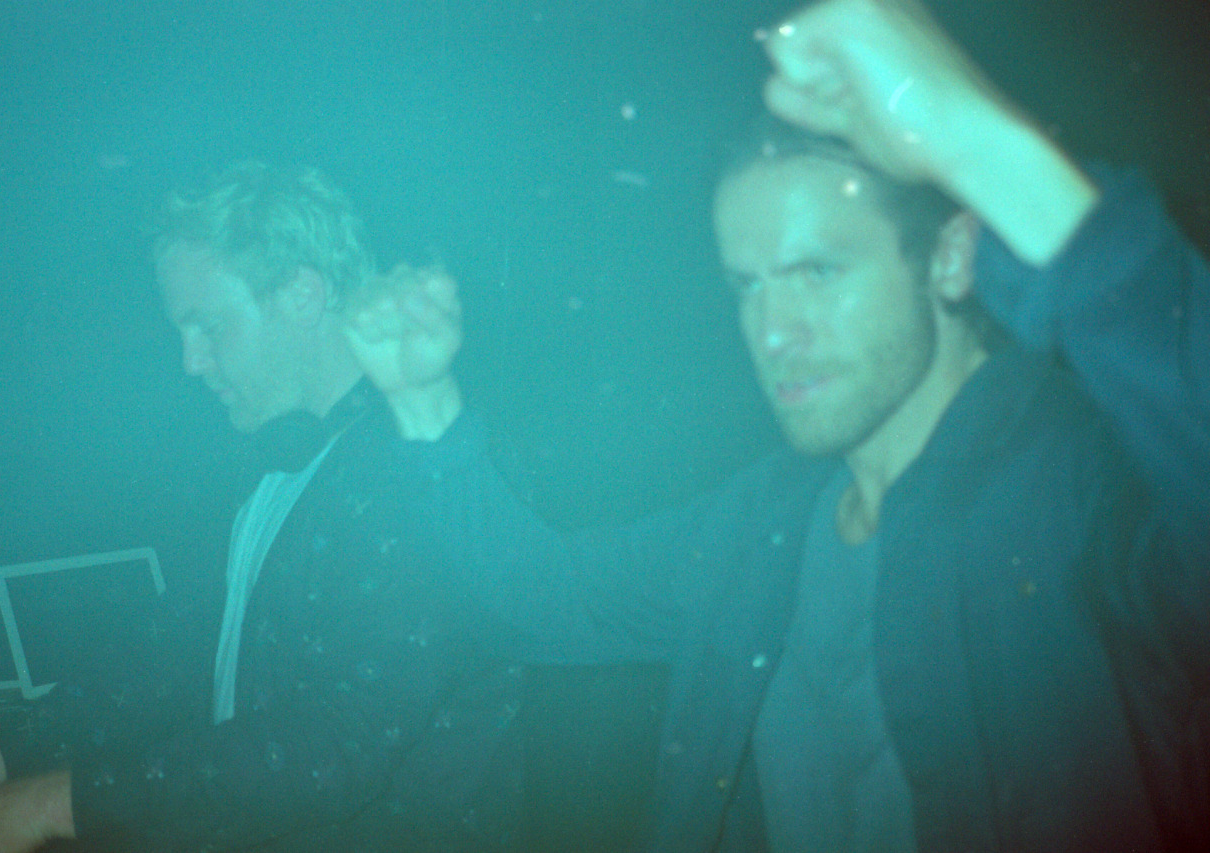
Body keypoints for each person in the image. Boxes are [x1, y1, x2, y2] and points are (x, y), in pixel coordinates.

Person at [345, 0, 1210, 850]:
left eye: (818, 272)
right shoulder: (765, 522)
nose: (772, 331)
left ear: (950, 256)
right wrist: (421, 398)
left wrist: (969, 136)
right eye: (748, 286)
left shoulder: (1091, 491)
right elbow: (537, 601)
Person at [0, 162, 525, 852]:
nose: (191, 361)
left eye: (208, 327)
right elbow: (182, 651)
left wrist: (48, 805)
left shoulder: (419, 473)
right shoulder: (278, 456)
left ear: (302, 295)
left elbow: (333, 745)